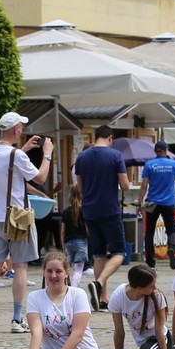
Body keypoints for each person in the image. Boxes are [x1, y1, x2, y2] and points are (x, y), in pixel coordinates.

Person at [0, 112, 52, 334]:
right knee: (20, 266)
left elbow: (5, 162)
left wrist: (24, 150)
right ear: (16, 131)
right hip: (18, 218)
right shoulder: (16, 156)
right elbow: (40, 178)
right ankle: (17, 319)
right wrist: (46, 155)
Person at [12, 249, 129, 349]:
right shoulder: (34, 297)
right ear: (43, 272)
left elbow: (77, 335)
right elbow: (36, 333)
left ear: (67, 272)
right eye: (49, 271)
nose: (53, 275)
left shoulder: (78, 295)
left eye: (58, 271)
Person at [74, 124, 130, 304]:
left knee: (98, 254)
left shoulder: (81, 157)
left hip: (89, 210)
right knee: (119, 252)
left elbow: (80, 187)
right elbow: (126, 185)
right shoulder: (115, 155)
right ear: (111, 138)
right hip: (109, 209)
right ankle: (98, 283)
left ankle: (102, 298)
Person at [108, 263, 175, 349]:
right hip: (143, 341)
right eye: (151, 286)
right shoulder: (118, 296)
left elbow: (159, 330)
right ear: (139, 288)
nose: (155, 288)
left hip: (159, 337)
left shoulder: (156, 296)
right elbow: (119, 330)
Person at [138, 142, 175, 271]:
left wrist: (139, 203)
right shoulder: (173, 164)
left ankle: (151, 262)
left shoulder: (149, 164)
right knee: (170, 229)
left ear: (155, 151)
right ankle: (172, 248)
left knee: (150, 232)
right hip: (169, 202)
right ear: (166, 150)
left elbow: (144, 185)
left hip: (153, 202)